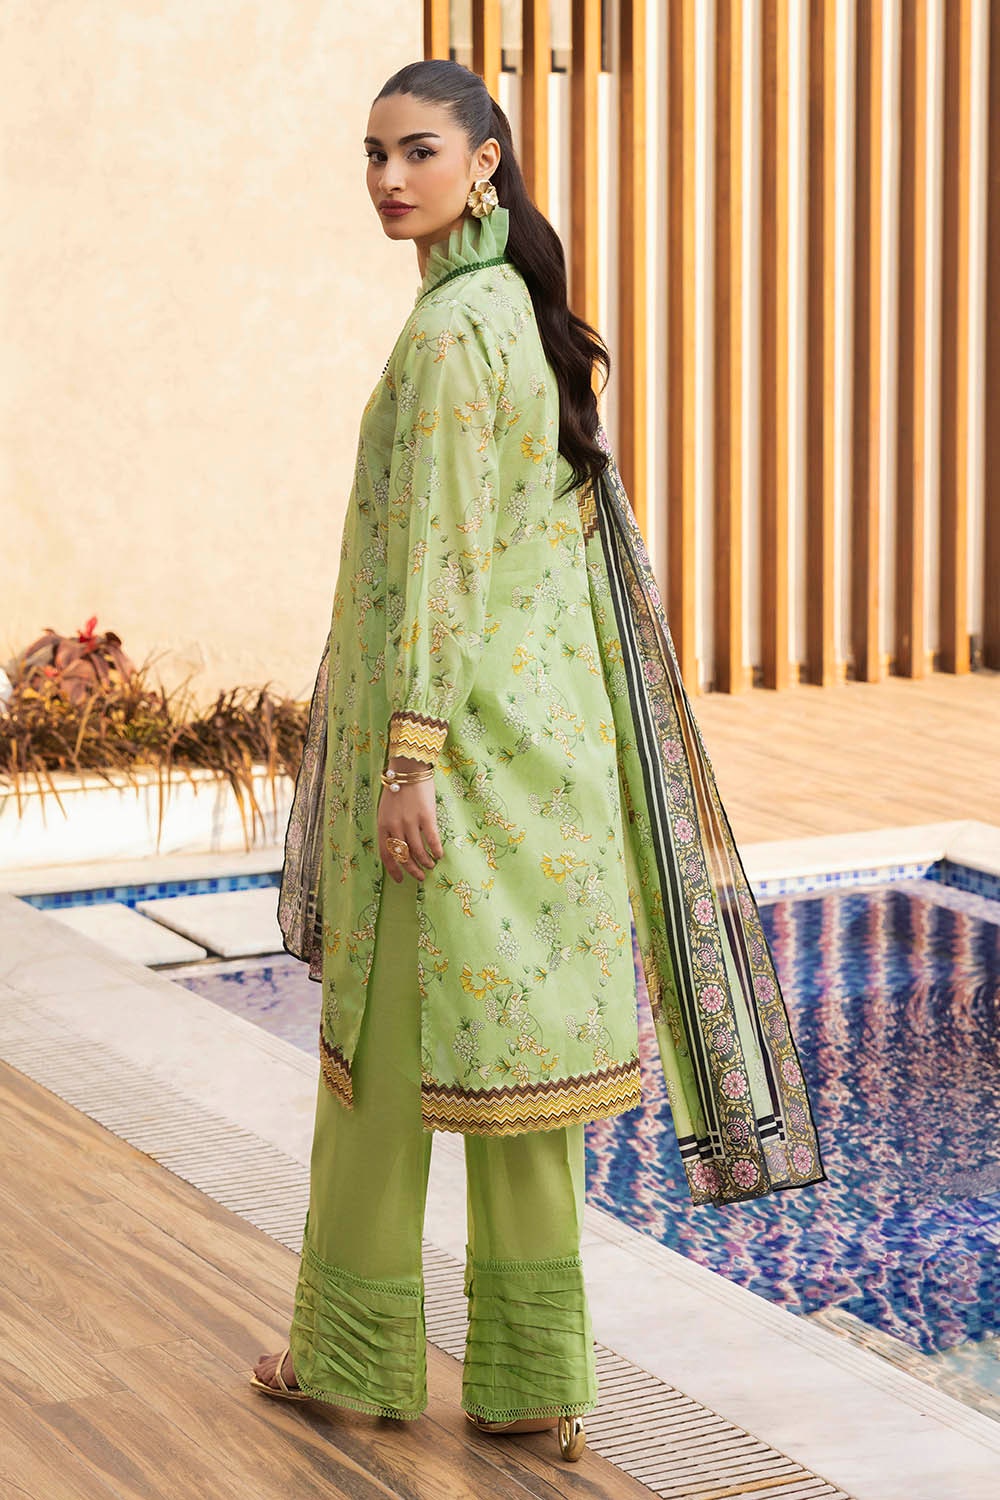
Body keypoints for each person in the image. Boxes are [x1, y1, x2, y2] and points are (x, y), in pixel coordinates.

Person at [251, 58, 827, 1464]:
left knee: (381, 1067)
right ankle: (530, 1384)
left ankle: (351, 1359)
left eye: (419, 151)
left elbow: (438, 561)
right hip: (546, 757)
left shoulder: (455, 334)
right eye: (374, 153)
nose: (390, 178)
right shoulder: (516, 310)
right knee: (521, 1092)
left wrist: (407, 759)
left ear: (485, 162)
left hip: (454, 761)